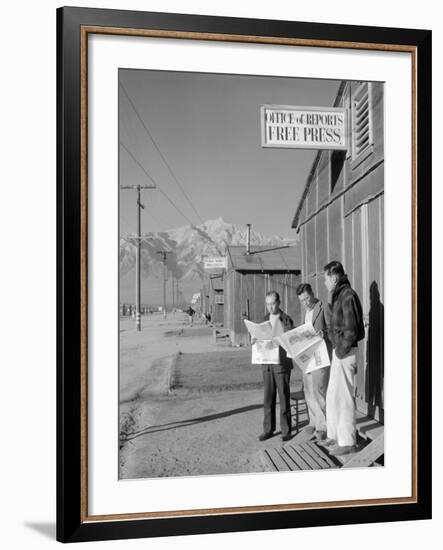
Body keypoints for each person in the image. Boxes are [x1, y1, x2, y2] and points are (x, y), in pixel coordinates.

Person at [320, 261, 365, 456]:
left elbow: (352, 330)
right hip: (339, 351)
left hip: (344, 353)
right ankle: (334, 435)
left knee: (345, 396)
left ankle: (347, 441)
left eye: (325, 278)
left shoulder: (348, 295)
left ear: (334, 277)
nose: (324, 282)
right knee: (332, 395)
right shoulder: (339, 295)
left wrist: (341, 350)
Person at [254, 291, 294, 442]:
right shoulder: (264, 320)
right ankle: (268, 429)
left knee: (284, 397)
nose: (270, 307)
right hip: (267, 364)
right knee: (268, 398)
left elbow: (291, 340)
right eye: (268, 304)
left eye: (273, 304)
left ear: (279, 303)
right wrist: (255, 340)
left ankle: (286, 431)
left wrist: (281, 340)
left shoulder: (286, 319)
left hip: (281, 364)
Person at [296, 283, 332, 441]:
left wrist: (324, 332)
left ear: (312, 293)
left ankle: (324, 426)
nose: (305, 303)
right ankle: (314, 421)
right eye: (301, 301)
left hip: (320, 356)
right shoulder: (305, 312)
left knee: (320, 392)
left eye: (306, 299)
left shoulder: (323, 307)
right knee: (308, 391)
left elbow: (333, 328)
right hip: (307, 357)